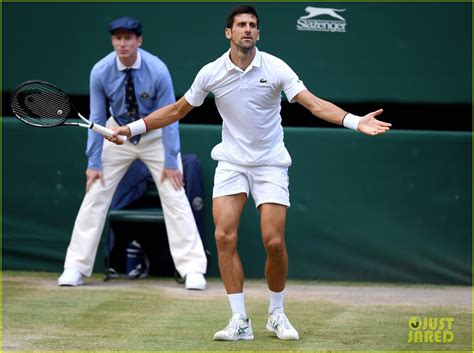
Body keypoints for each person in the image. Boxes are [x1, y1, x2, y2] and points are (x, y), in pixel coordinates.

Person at [109, 6, 391, 340]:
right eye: (241, 25)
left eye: (253, 25)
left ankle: (276, 313)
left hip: (270, 163)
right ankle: (240, 321)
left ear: (258, 33)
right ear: (229, 33)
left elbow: (314, 104)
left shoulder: (275, 68)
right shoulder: (211, 72)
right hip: (232, 162)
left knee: (273, 242)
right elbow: (177, 109)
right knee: (223, 236)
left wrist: (356, 121)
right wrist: (132, 129)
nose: (247, 29)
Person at [57, 16, 208, 290]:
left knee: (175, 195)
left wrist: (172, 160)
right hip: (116, 134)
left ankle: (193, 269)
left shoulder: (157, 70)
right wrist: (94, 161)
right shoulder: (100, 71)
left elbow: (171, 117)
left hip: (154, 135)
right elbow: (97, 117)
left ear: (138, 41)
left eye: (128, 38)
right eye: (117, 38)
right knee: (95, 194)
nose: (122, 43)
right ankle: (75, 267)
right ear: (113, 41)